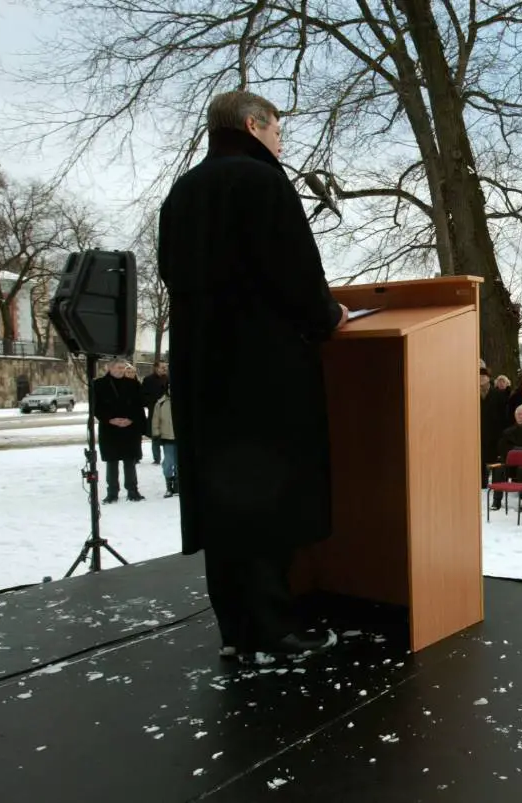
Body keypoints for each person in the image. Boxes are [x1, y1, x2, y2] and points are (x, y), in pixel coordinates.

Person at [157, 90, 349, 661]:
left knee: (225, 505)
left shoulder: (182, 192)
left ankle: (238, 631)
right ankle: (275, 633)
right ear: (252, 124)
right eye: (278, 130)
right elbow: (293, 273)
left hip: (202, 374)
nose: (281, 142)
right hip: (261, 374)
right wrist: (328, 314)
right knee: (269, 498)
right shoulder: (263, 183)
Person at [92, 359, 147, 503]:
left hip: (130, 428)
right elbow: (96, 407)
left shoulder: (133, 384)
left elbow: (139, 406)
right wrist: (110, 419)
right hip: (110, 429)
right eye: (118, 368)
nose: (121, 370)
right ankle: (112, 492)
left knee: (130, 461)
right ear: (109, 368)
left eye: (123, 368)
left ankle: (132, 490)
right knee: (112, 461)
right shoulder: (99, 384)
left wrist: (131, 419)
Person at [151, 383, 178, 498]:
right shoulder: (161, 403)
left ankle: (177, 485)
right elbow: (155, 419)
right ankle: (168, 485)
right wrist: (156, 434)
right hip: (167, 437)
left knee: (179, 462)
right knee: (169, 462)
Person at [141, 361, 169, 464]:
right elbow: (144, 395)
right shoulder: (148, 380)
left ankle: (168, 457)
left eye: (166, 367)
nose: (165, 369)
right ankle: (156, 458)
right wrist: (152, 403)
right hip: (154, 409)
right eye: (162, 367)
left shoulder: (169, 379)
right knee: (155, 434)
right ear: (156, 368)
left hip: (167, 410)